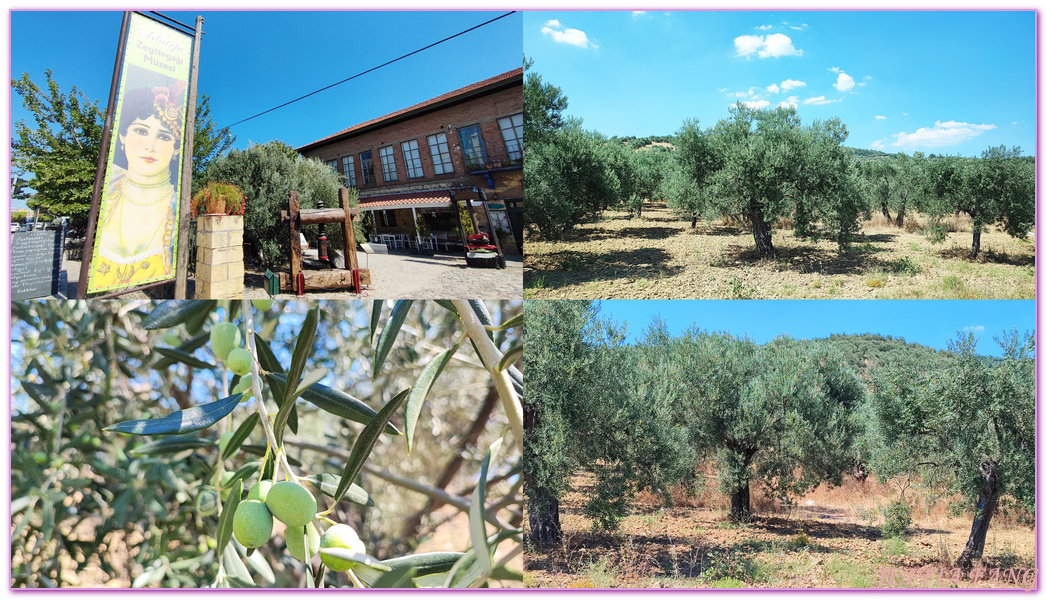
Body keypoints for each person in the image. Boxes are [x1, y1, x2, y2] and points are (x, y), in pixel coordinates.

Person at [89, 81, 186, 291]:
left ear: (175, 149)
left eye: (163, 136)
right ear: (122, 136)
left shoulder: (177, 204)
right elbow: (124, 106)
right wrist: (147, 93)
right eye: (141, 131)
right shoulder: (112, 187)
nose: (150, 146)